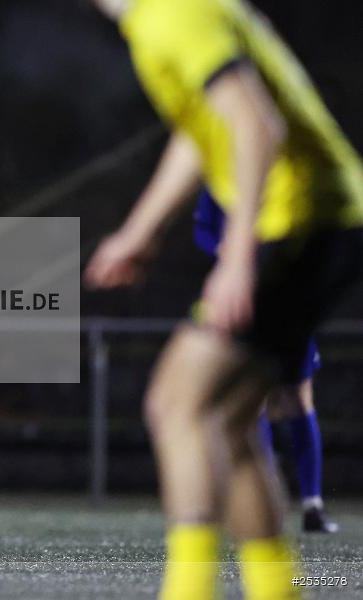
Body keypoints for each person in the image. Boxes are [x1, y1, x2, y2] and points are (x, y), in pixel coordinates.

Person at [85, 1, 363, 598]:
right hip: (323, 219)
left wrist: (236, 259)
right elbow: (203, 128)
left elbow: (257, 124)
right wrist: (141, 230)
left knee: (179, 402)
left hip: (301, 222)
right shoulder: (163, 16)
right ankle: (277, 590)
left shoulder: (170, 16)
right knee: (230, 421)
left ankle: (188, 590)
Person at [195, 188, 338, 534]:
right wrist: (225, 252)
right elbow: (204, 229)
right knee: (254, 403)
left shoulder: (280, 167)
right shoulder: (220, 178)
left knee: (293, 399)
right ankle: (274, 496)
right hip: (247, 296)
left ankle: (309, 503)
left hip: (283, 294)